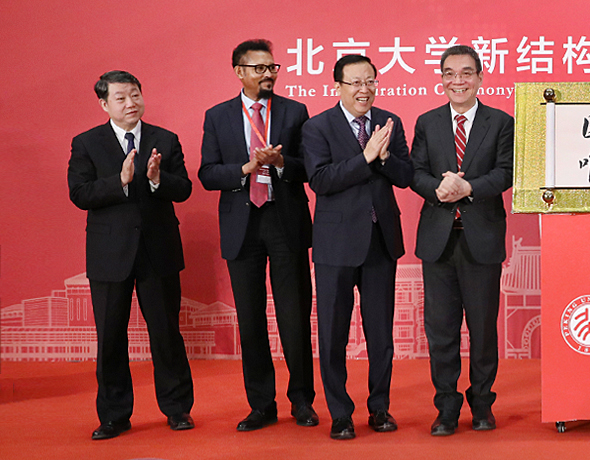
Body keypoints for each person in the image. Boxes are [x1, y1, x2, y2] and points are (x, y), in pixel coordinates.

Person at [68, 70, 195, 439]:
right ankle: (114, 416)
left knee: (166, 333)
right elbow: (79, 193)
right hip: (110, 254)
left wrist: (156, 179)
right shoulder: (87, 143)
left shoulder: (164, 139)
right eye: (121, 98)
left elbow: (184, 188)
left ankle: (177, 409)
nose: (130, 103)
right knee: (110, 337)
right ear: (104, 104)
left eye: (135, 95)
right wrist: (119, 181)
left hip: (158, 251)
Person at [198, 39, 317, 431]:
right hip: (242, 225)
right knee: (250, 320)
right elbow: (207, 173)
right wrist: (245, 168)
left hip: (284, 221)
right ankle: (261, 404)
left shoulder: (295, 112)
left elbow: (310, 167)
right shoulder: (218, 116)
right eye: (259, 68)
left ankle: (302, 400)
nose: (268, 74)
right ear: (239, 72)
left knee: (294, 317)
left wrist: (281, 163)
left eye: (272, 68)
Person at [302, 54, 413, 439]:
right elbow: (320, 180)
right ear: (338, 87)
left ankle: (379, 408)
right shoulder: (317, 127)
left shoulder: (389, 122)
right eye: (355, 83)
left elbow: (405, 175)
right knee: (332, 333)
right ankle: (340, 413)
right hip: (335, 245)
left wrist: (384, 158)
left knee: (381, 333)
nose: (364, 90)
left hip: (380, 241)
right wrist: (365, 158)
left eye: (370, 81)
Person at [409, 45, 514, 435]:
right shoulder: (427, 121)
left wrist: (468, 187)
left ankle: (482, 405)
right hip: (438, 240)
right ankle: (446, 408)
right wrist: (437, 189)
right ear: (441, 79)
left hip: (481, 238)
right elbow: (415, 172)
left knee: (483, 329)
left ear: (480, 78)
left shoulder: (500, 122)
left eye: (466, 73)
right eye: (450, 74)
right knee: (441, 331)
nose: (458, 81)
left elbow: (506, 172)